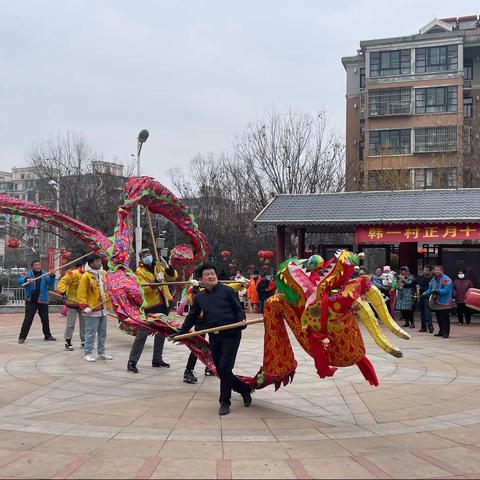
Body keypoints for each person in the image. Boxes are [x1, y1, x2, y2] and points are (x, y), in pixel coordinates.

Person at [171, 263, 252, 416]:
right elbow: (192, 317)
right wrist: (180, 332)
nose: (211, 276)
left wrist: (241, 321)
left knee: (225, 368)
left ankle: (224, 401)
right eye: (207, 274)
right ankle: (243, 389)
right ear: (201, 280)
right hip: (214, 336)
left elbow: (238, 310)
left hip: (231, 334)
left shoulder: (228, 291)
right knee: (220, 370)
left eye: (212, 273)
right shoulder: (200, 297)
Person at [127, 248, 177, 373]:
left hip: (164, 302)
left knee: (161, 332)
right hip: (151, 305)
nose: (147, 256)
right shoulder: (139, 272)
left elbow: (172, 278)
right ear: (141, 258)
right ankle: (132, 361)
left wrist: (168, 268)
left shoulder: (158, 266)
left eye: (148, 254)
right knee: (142, 333)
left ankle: (157, 359)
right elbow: (143, 289)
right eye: (144, 255)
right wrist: (155, 281)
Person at [77, 254, 112, 361]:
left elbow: (109, 287)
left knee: (102, 332)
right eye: (97, 261)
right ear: (91, 263)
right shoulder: (86, 276)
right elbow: (81, 293)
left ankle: (102, 352)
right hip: (92, 309)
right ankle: (88, 353)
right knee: (90, 333)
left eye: (100, 261)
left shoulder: (104, 273)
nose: (99, 263)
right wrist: (84, 306)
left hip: (104, 308)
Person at [17, 260, 57, 343]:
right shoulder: (27, 274)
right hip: (31, 300)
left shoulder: (45, 274)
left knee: (45, 319)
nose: (38, 266)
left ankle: (48, 335)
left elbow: (50, 283)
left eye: (39, 265)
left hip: (42, 300)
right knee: (28, 319)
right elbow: (19, 280)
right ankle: (22, 337)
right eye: (36, 265)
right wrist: (26, 280)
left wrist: (52, 276)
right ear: (32, 266)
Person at [55, 260, 85, 351]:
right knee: (70, 324)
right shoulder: (73, 273)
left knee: (84, 324)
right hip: (73, 302)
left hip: (84, 303)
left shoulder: (90, 275)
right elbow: (63, 281)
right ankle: (68, 340)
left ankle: (84, 341)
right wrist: (63, 291)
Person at [422, 265, 453, 339]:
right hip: (436, 302)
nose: (436, 271)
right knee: (438, 317)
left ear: (442, 270)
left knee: (445, 318)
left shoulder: (446, 279)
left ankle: (446, 333)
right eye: (435, 270)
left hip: (445, 302)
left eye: (438, 270)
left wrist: (438, 291)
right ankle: (441, 331)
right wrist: (424, 293)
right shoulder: (433, 280)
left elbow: (446, 290)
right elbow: (430, 289)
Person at [417, 266, 434, 333]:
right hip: (421, 296)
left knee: (427, 312)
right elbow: (414, 283)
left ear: (430, 271)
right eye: (424, 270)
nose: (425, 271)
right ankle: (423, 327)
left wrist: (421, 289)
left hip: (427, 296)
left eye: (427, 270)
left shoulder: (432, 278)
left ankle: (430, 326)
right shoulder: (420, 277)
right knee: (422, 313)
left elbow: (430, 288)